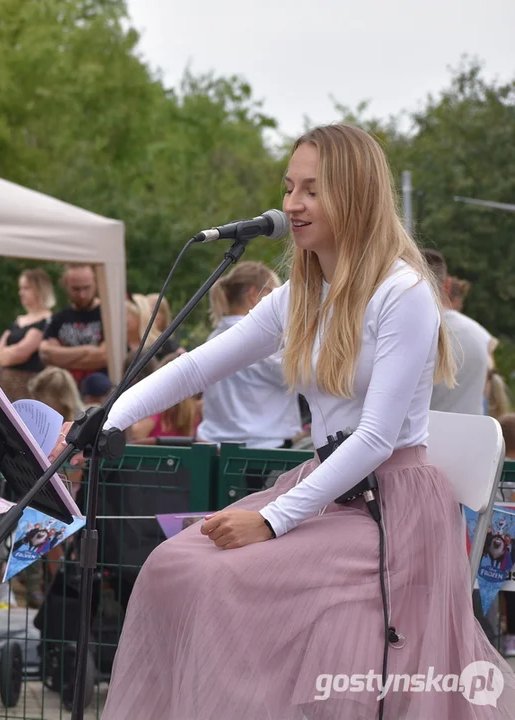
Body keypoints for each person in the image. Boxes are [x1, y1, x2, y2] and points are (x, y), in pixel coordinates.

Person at [52, 124, 515, 717]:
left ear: (356, 195)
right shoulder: (303, 291)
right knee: (172, 567)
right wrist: (104, 418)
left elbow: (375, 438)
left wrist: (270, 522)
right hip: (329, 491)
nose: (290, 204)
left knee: (221, 583)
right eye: (289, 187)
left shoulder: (404, 294)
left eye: (311, 190)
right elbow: (196, 367)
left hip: (393, 508)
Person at [195, 261, 302, 449]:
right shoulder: (264, 339)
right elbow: (303, 376)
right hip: (261, 449)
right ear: (254, 295)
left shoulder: (215, 336)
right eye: (274, 293)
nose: (282, 302)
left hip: (214, 445)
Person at [423, 248, 495, 416]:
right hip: (471, 438)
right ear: (447, 285)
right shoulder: (482, 336)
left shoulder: (398, 334)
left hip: (418, 439)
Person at [0, 268, 55, 402]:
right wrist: (8, 354)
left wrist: (7, 353)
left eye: (26, 288)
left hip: (29, 388)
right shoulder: (18, 320)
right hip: (6, 387)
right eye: (21, 288)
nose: (21, 293)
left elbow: (22, 352)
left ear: (39, 289)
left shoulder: (47, 320)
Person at [40, 263, 108, 384]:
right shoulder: (58, 318)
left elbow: (104, 356)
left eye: (87, 288)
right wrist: (87, 351)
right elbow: (45, 353)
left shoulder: (108, 315)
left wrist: (61, 357)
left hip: (100, 391)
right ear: (66, 286)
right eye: (76, 289)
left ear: (96, 283)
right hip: (66, 391)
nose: (82, 295)